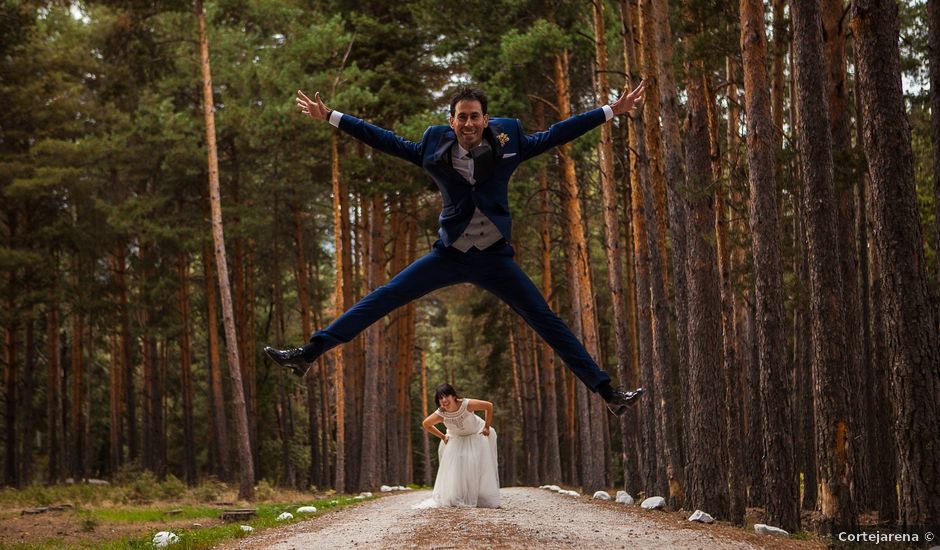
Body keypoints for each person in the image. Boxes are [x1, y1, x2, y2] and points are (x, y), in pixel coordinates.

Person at [265, 82, 646, 415]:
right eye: (461, 117)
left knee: (547, 320)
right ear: (451, 121)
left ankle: (608, 392)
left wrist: (612, 109)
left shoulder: (509, 139)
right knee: (384, 297)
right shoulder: (433, 145)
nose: (468, 123)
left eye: (475, 116)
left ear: (486, 119)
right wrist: (331, 115)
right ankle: (308, 354)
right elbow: (384, 139)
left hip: (495, 258)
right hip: (449, 254)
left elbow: (559, 133)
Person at [417, 383, 500, 508]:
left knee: (476, 464)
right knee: (457, 467)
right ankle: (459, 496)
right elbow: (426, 424)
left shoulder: (466, 404)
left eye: (446, 396)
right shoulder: (440, 414)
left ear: (454, 396)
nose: (444, 400)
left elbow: (488, 406)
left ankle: (480, 496)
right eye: (440, 398)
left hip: (476, 434)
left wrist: (487, 426)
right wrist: (442, 436)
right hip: (457, 439)